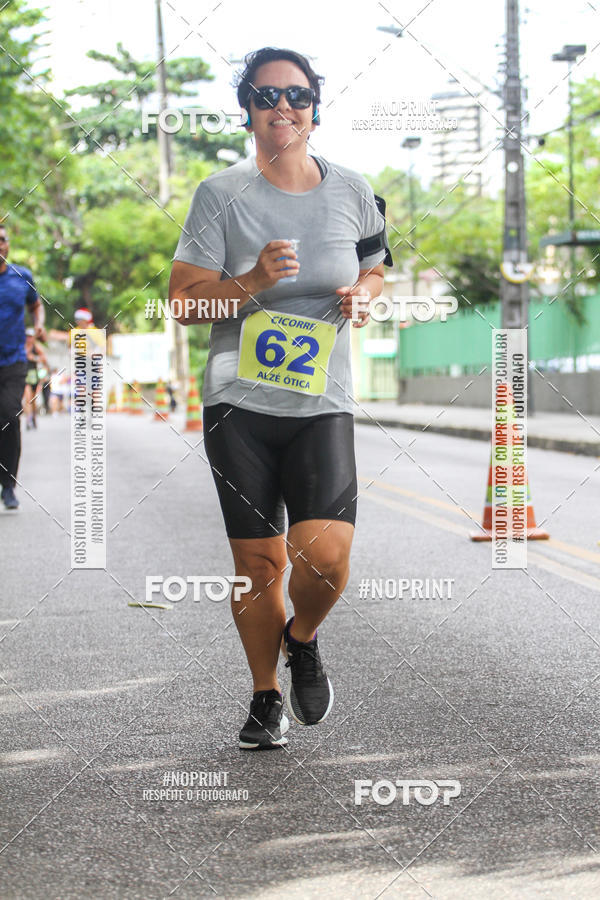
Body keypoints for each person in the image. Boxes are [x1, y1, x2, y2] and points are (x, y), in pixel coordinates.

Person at [169, 47, 390, 750]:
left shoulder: (353, 189)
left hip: (322, 401)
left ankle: (304, 635)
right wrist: (253, 282)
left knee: (325, 556)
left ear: (315, 109)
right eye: (266, 96)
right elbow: (184, 304)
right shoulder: (219, 194)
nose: (282, 107)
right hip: (239, 406)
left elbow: (376, 268)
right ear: (247, 111)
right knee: (260, 566)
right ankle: (266, 695)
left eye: (296, 95)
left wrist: (365, 295)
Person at [0, 223, 46, 509]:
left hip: (14, 359)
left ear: (7, 244)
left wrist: (39, 325)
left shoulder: (21, 276)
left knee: (9, 415)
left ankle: (8, 485)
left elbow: (36, 306)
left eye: (2, 239)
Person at [23, 329, 49, 430]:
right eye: (27, 336)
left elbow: (44, 360)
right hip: (24, 375)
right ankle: (28, 419)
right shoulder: (22, 347)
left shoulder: (36, 347)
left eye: (30, 336)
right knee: (28, 398)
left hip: (34, 375)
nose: (28, 338)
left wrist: (33, 358)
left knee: (32, 400)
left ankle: (33, 417)